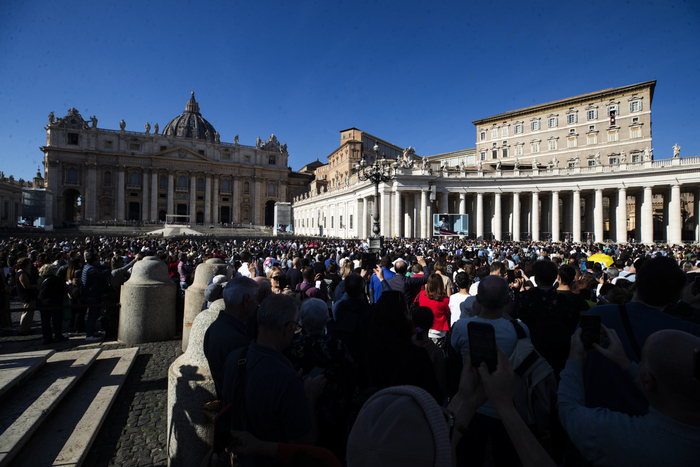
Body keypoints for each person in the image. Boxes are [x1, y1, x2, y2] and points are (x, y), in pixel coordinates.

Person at [558, 326, 700, 466]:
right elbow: (664, 390)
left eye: (641, 358)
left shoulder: (611, 434)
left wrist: (575, 358)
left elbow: (568, 409)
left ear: (648, 380)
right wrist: (625, 362)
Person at [583, 255, 700, 416]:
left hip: (597, 413)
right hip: (654, 422)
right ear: (676, 296)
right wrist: (689, 307)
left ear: (634, 285)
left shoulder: (598, 315)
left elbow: (578, 359)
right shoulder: (688, 333)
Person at [222, 294, 326, 466]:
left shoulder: (233, 359)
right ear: (289, 327)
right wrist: (308, 396)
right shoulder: (287, 379)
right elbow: (304, 445)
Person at [451, 275, 530, 467]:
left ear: (477, 300)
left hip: (470, 406)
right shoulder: (520, 329)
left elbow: (453, 355)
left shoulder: (461, 327)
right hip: (507, 405)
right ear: (508, 300)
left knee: (470, 457)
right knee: (506, 458)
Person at [285, 298, 357, 459]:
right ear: (326, 319)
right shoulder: (336, 345)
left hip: (301, 410)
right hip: (334, 412)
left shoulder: (292, 345)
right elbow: (351, 372)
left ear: (301, 320)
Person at [365, 290, 443, 403]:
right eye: (407, 311)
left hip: (376, 411)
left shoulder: (369, 350)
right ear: (403, 318)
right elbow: (435, 396)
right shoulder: (417, 355)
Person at [203, 276, 257, 399]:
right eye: (255, 298)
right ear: (246, 300)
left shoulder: (214, 328)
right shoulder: (236, 341)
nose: (257, 303)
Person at [415, 274, 451, 349]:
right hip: (438, 330)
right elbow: (447, 313)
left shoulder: (421, 294)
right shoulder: (445, 300)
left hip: (423, 329)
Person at [81, 251, 111, 340]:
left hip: (92, 294)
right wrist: (108, 266)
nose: (100, 261)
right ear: (94, 261)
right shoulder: (91, 270)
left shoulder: (88, 267)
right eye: (98, 260)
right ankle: (89, 335)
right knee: (92, 315)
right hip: (91, 295)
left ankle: (91, 331)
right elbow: (104, 273)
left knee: (95, 314)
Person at [36, 263, 69, 344]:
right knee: (57, 320)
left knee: (45, 321)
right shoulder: (56, 279)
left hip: (42, 303)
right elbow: (65, 289)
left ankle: (47, 337)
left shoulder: (40, 280)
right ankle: (58, 335)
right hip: (55, 302)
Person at [15, 257, 37, 335]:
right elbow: (26, 286)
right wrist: (37, 286)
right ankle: (23, 329)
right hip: (27, 295)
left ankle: (26, 328)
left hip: (28, 295)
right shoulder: (22, 274)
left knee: (29, 312)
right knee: (27, 312)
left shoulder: (22, 272)